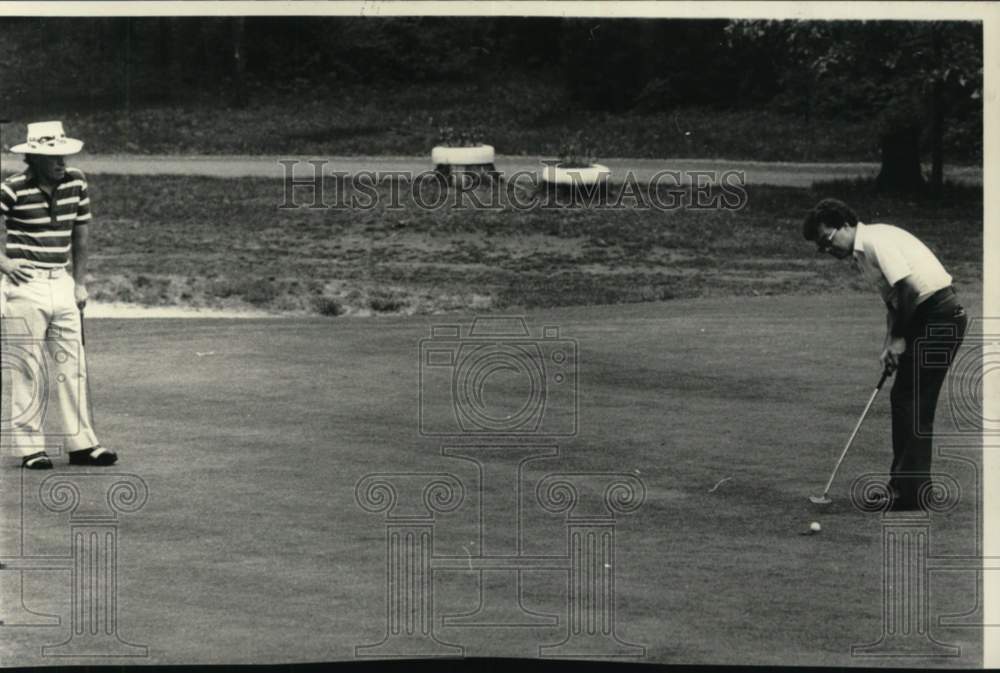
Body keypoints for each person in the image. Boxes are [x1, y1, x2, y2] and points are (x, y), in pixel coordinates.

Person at [803, 198, 966, 510]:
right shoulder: (861, 254)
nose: (827, 249)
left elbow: (908, 289)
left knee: (911, 398)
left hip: (940, 315)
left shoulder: (876, 240)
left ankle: (911, 492)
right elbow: (893, 302)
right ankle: (906, 486)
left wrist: (901, 339)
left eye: (827, 240)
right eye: (821, 247)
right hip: (928, 316)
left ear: (846, 225)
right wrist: (889, 342)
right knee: (906, 398)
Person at [0, 121, 117, 469]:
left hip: (62, 281)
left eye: (63, 155)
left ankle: (82, 445)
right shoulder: (12, 188)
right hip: (24, 286)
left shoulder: (76, 182)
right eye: (52, 156)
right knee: (28, 368)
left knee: (73, 364)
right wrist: (4, 263)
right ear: (33, 157)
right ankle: (29, 449)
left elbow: (81, 235)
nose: (61, 162)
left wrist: (79, 283)